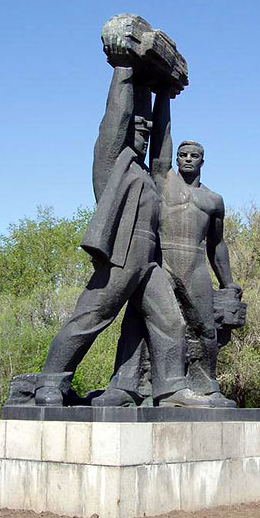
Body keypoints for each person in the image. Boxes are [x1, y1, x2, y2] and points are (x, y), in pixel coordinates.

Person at [34, 67, 211, 408]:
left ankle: (171, 388)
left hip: (149, 261)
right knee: (92, 317)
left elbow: (162, 151)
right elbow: (114, 118)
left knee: (169, 322)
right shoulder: (113, 164)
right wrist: (124, 71)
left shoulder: (148, 175)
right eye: (138, 132)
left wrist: (164, 95)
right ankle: (51, 382)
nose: (144, 138)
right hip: (121, 255)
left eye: (146, 134)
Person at [102, 90, 241, 407]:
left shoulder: (213, 200)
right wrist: (164, 94)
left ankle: (207, 388)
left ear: (203, 161)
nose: (187, 159)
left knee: (206, 328)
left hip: (194, 267)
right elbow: (161, 144)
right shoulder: (164, 181)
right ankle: (128, 386)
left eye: (194, 155)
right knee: (139, 323)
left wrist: (228, 282)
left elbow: (217, 244)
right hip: (161, 265)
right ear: (176, 159)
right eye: (183, 155)